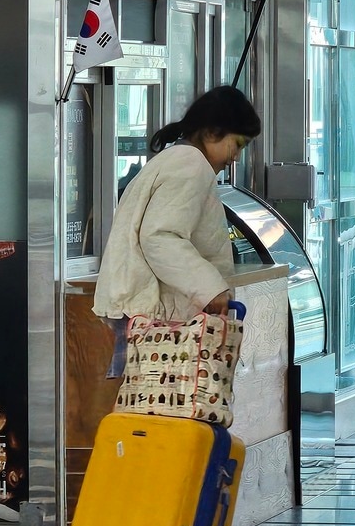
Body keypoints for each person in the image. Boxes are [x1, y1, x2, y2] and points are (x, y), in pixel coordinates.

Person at [93, 85, 261, 377]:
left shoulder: (172, 160)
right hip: (159, 320)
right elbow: (160, 237)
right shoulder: (191, 166)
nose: (235, 157)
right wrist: (210, 288)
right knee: (166, 402)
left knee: (139, 400)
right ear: (211, 132)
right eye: (238, 144)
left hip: (139, 313)